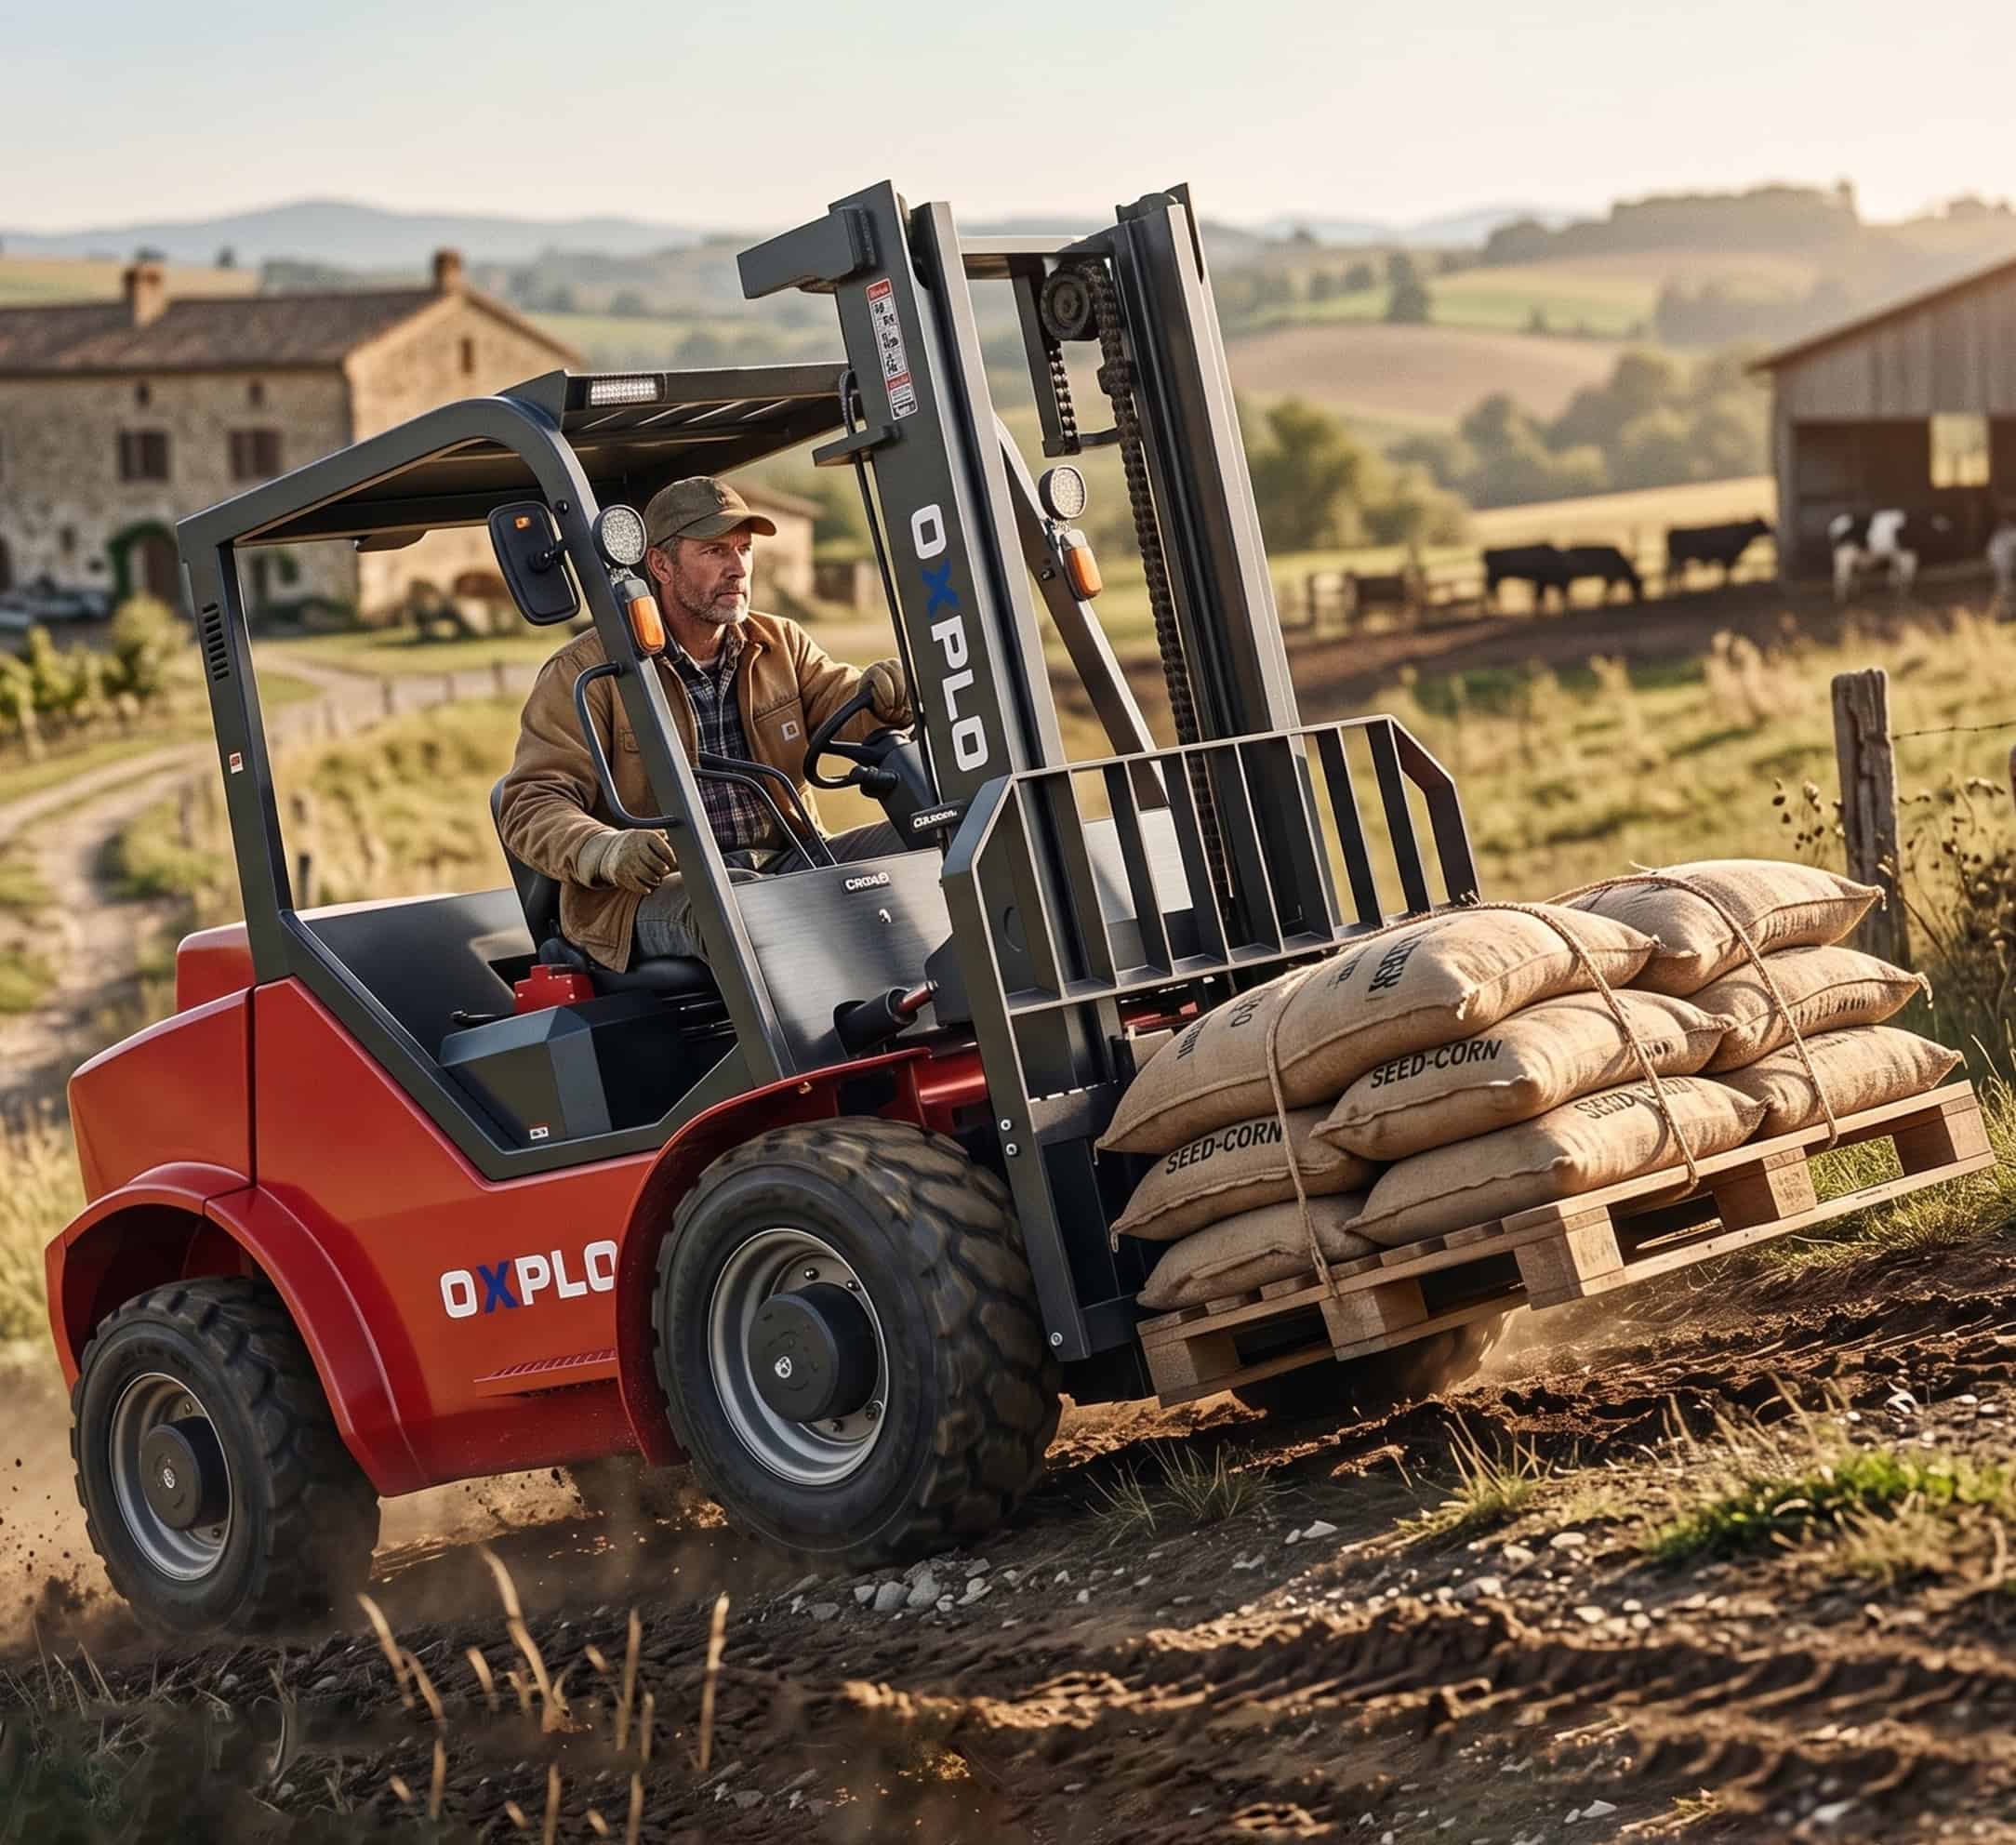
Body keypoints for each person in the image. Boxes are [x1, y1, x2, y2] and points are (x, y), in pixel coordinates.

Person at [497, 475, 911, 972]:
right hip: (649, 893)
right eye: (715, 552)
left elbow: (849, 708)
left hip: (786, 857)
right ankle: (829, 1044)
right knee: (744, 906)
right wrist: (603, 850)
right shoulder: (587, 671)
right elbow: (530, 803)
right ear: (661, 565)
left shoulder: (781, 642)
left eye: (744, 549)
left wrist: (889, 694)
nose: (738, 568)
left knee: (927, 835)